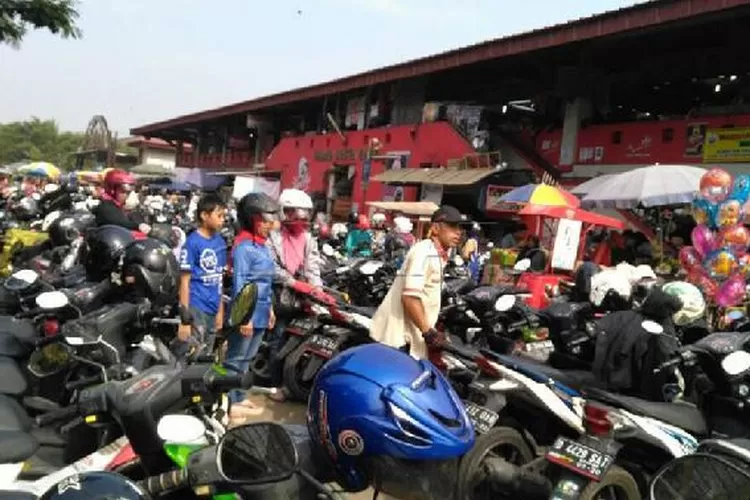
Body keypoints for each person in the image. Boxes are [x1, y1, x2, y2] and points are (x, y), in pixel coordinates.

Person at [370, 205, 464, 360]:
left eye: (459, 227)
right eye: (452, 226)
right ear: (435, 228)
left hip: (412, 339)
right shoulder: (423, 252)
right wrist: (428, 332)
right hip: (399, 340)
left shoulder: (436, 255)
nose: (458, 232)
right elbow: (410, 297)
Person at [224, 192, 279, 423]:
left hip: (262, 310)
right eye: (264, 221)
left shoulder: (263, 247)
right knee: (235, 359)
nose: (269, 226)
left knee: (247, 359)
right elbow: (240, 284)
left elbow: (266, 282)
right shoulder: (244, 248)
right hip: (247, 312)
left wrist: (271, 310)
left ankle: (239, 396)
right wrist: (243, 317)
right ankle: (229, 402)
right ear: (251, 219)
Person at [266, 188, 324, 402]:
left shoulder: (308, 239)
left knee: (303, 342)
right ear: (283, 212)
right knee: (279, 341)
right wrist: (294, 283)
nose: (300, 219)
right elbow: (271, 269)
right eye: (294, 213)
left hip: (303, 300)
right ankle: (276, 384)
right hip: (280, 298)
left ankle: (294, 383)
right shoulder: (272, 237)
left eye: (304, 214)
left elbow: (312, 269)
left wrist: (317, 291)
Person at [176, 193, 227, 361]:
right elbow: (184, 282)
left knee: (209, 354)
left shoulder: (220, 242)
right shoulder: (192, 243)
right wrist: (184, 319)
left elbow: (219, 279)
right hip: (197, 307)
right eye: (219, 216)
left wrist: (220, 311)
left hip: (214, 305)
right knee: (194, 354)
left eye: (224, 216)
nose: (222, 220)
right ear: (205, 216)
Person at [93, 169, 150, 233]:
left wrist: (142, 224)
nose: (126, 196)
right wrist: (137, 226)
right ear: (112, 190)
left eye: (128, 193)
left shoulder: (123, 207)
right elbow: (119, 222)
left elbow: (135, 217)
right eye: (123, 192)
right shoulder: (106, 206)